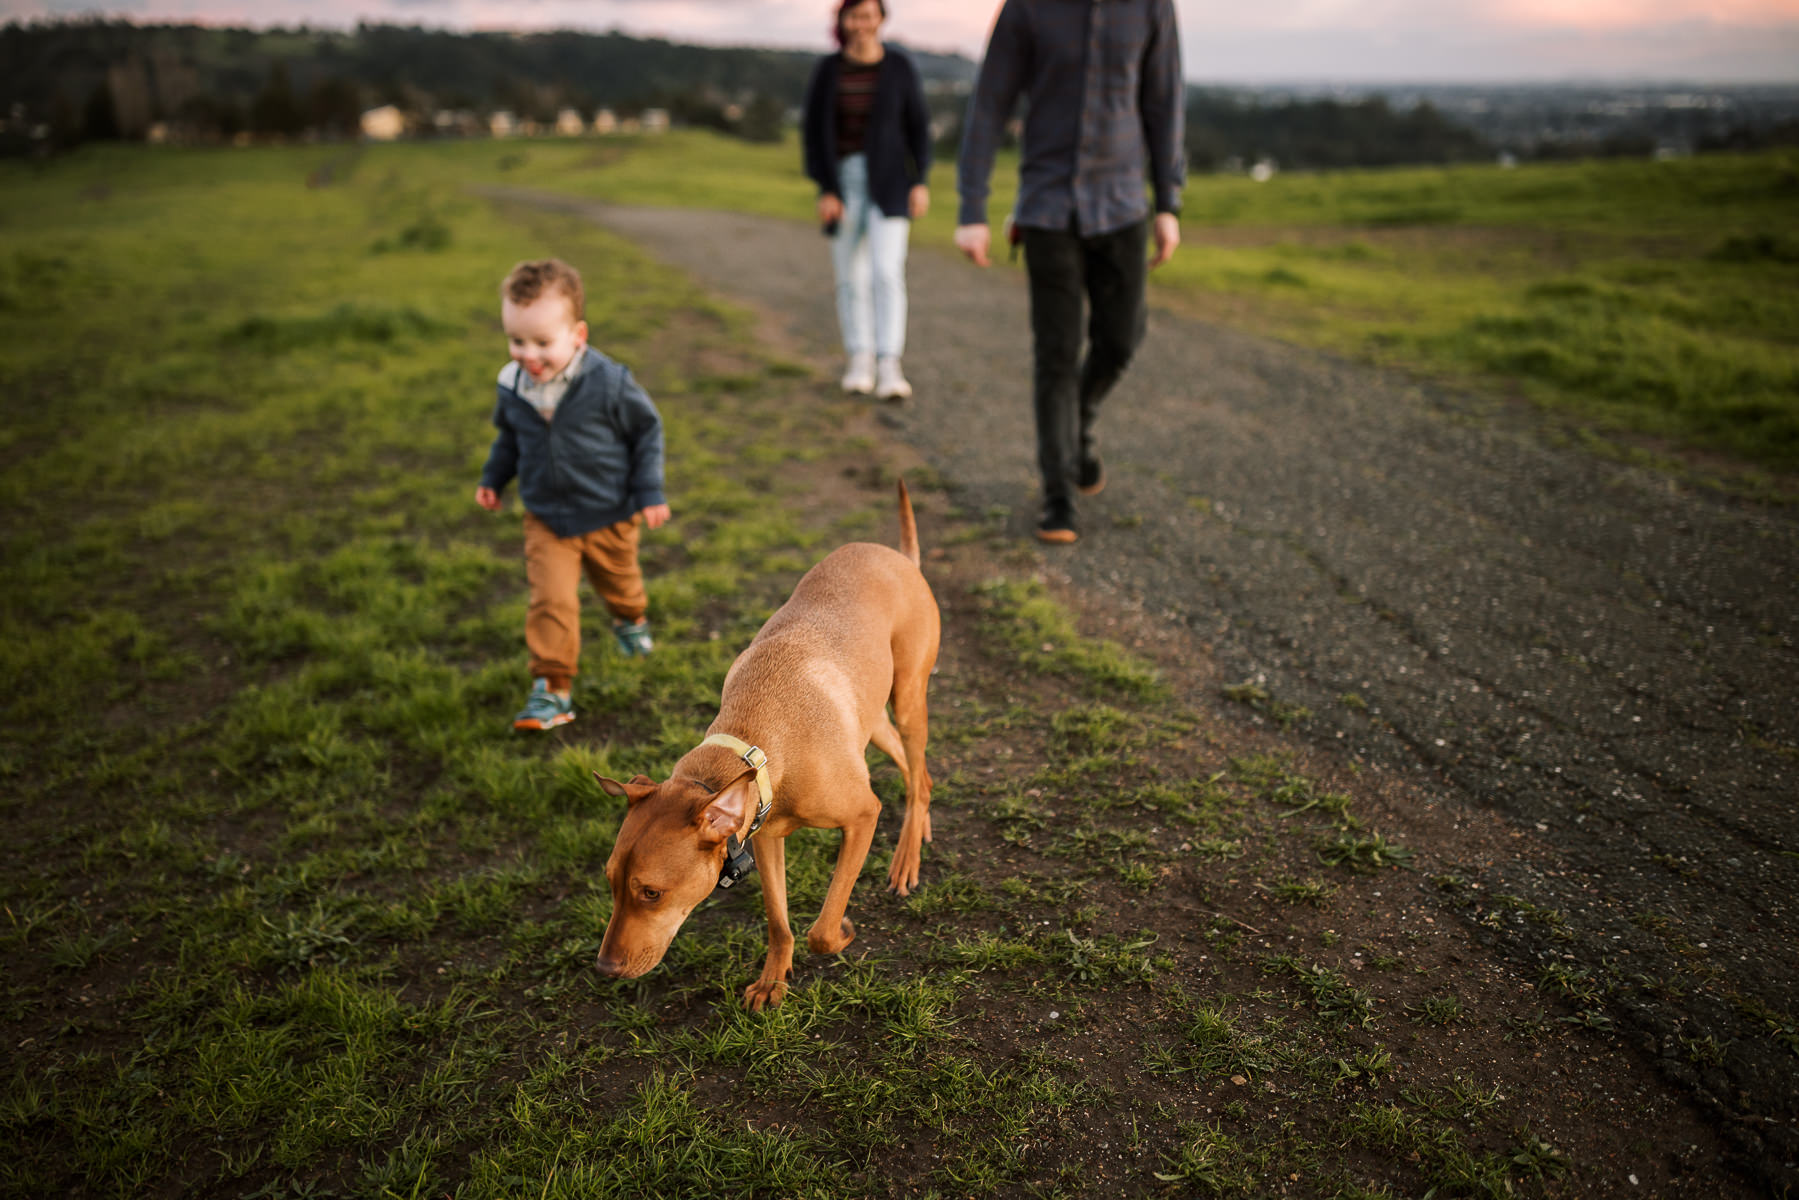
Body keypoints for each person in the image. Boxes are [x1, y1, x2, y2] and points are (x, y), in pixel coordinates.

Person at [954, 0, 1186, 544]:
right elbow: (989, 105)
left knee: (1122, 337)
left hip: (1123, 204)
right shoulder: (1027, 8)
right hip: (1047, 207)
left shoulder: (1151, 7)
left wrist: (1169, 204)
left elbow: (1164, 104)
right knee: (1056, 353)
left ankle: (1079, 418)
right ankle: (1057, 493)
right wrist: (972, 209)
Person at [475, 258, 672, 731]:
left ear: (577, 336)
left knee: (619, 583)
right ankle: (552, 687)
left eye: (543, 342)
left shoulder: (608, 382)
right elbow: (509, 438)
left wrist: (648, 491)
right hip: (546, 516)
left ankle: (630, 619)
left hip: (610, 513)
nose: (528, 354)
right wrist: (493, 477)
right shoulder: (513, 385)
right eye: (517, 341)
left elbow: (646, 432)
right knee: (551, 600)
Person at [802, 0, 934, 400]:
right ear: (843, 20)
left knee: (886, 272)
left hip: (892, 181)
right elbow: (812, 133)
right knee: (849, 277)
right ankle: (859, 360)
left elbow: (919, 127)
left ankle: (889, 364)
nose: (861, 23)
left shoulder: (899, 67)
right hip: (844, 182)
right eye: (853, 15)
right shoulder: (828, 70)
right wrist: (826, 188)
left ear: (880, 19)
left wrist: (920, 181)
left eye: (868, 15)